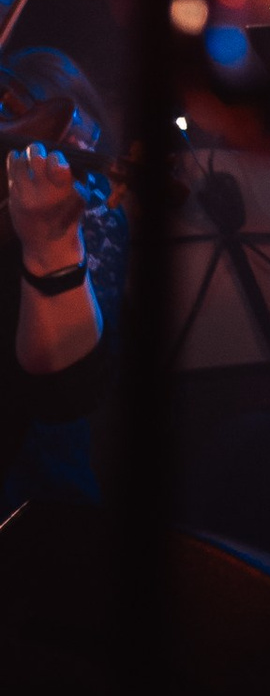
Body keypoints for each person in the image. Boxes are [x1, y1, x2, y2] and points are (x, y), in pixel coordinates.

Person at [0, 49, 123, 508]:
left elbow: (67, 388)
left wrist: (48, 244)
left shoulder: (91, 211)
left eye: (78, 134)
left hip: (39, 481)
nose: (74, 154)